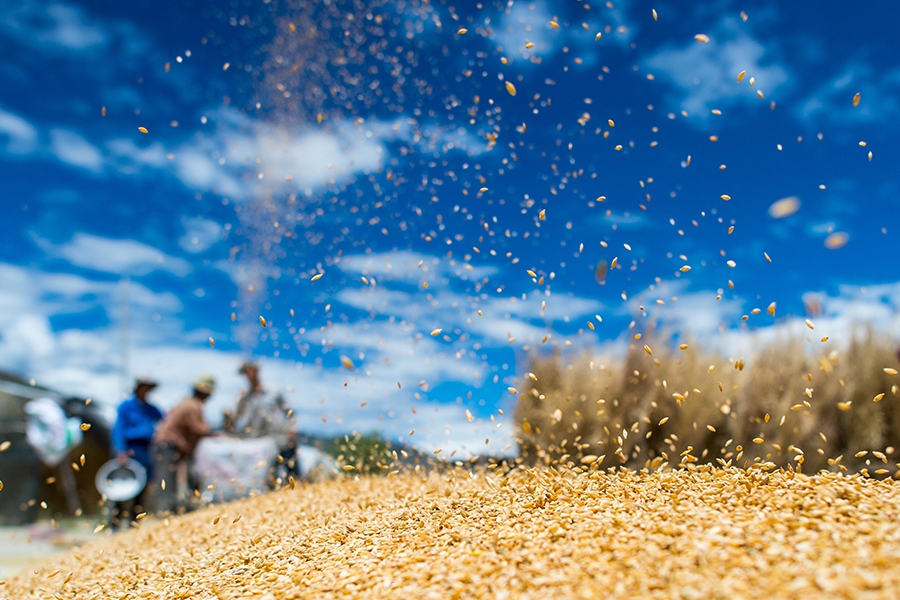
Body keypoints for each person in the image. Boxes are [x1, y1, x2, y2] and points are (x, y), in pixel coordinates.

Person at [151, 375, 216, 516]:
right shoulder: (192, 406)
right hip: (167, 445)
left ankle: (172, 510)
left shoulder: (187, 403)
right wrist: (214, 432)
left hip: (170, 445)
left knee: (172, 478)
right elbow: (198, 429)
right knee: (166, 479)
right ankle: (165, 513)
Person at [228, 361, 298, 481]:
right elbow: (236, 417)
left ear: (256, 371)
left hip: (282, 437)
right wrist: (229, 419)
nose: (248, 376)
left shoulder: (273, 391)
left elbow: (289, 411)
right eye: (245, 373)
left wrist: (292, 429)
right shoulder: (245, 398)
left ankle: (299, 491)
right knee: (270, 473)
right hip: (263, 442)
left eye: (249, 371)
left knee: (292, 469)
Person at [110, 377, 162, 527]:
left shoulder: (152, 409)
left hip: (145, 451)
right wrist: (120, 450)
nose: (146, 391)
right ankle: (115, 523)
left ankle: (134, 522)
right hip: (129, 450)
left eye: (149, 388)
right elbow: (118, 429)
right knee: (121, 487)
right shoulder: (125, 407)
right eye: (144, 387)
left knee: (142, 487)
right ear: (138, 388)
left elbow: (163, 419)